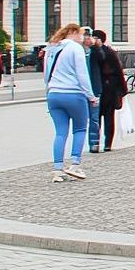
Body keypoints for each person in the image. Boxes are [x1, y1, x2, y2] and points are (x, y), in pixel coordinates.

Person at [43, 24, 97, 182]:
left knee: (60, 132)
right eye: (80, 34)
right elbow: (82, 74)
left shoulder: (51, 48)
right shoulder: (75, 48)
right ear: (73, 33)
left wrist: (49, 90)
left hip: (54, 94)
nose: (82, 38)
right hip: (73, 93)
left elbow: (47, 75)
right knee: (80, 129)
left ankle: (57, 169)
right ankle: (75, 164)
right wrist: (91, 96)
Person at [91, 30, 127, 152]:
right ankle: (96, 142)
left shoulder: (107, 52)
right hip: (102, 88)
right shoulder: (93, 52)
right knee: (97, 118)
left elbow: (118, 71)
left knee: (107, 118)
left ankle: (107, 143)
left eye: (95, 37)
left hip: (108, 89)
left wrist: (122, 91)